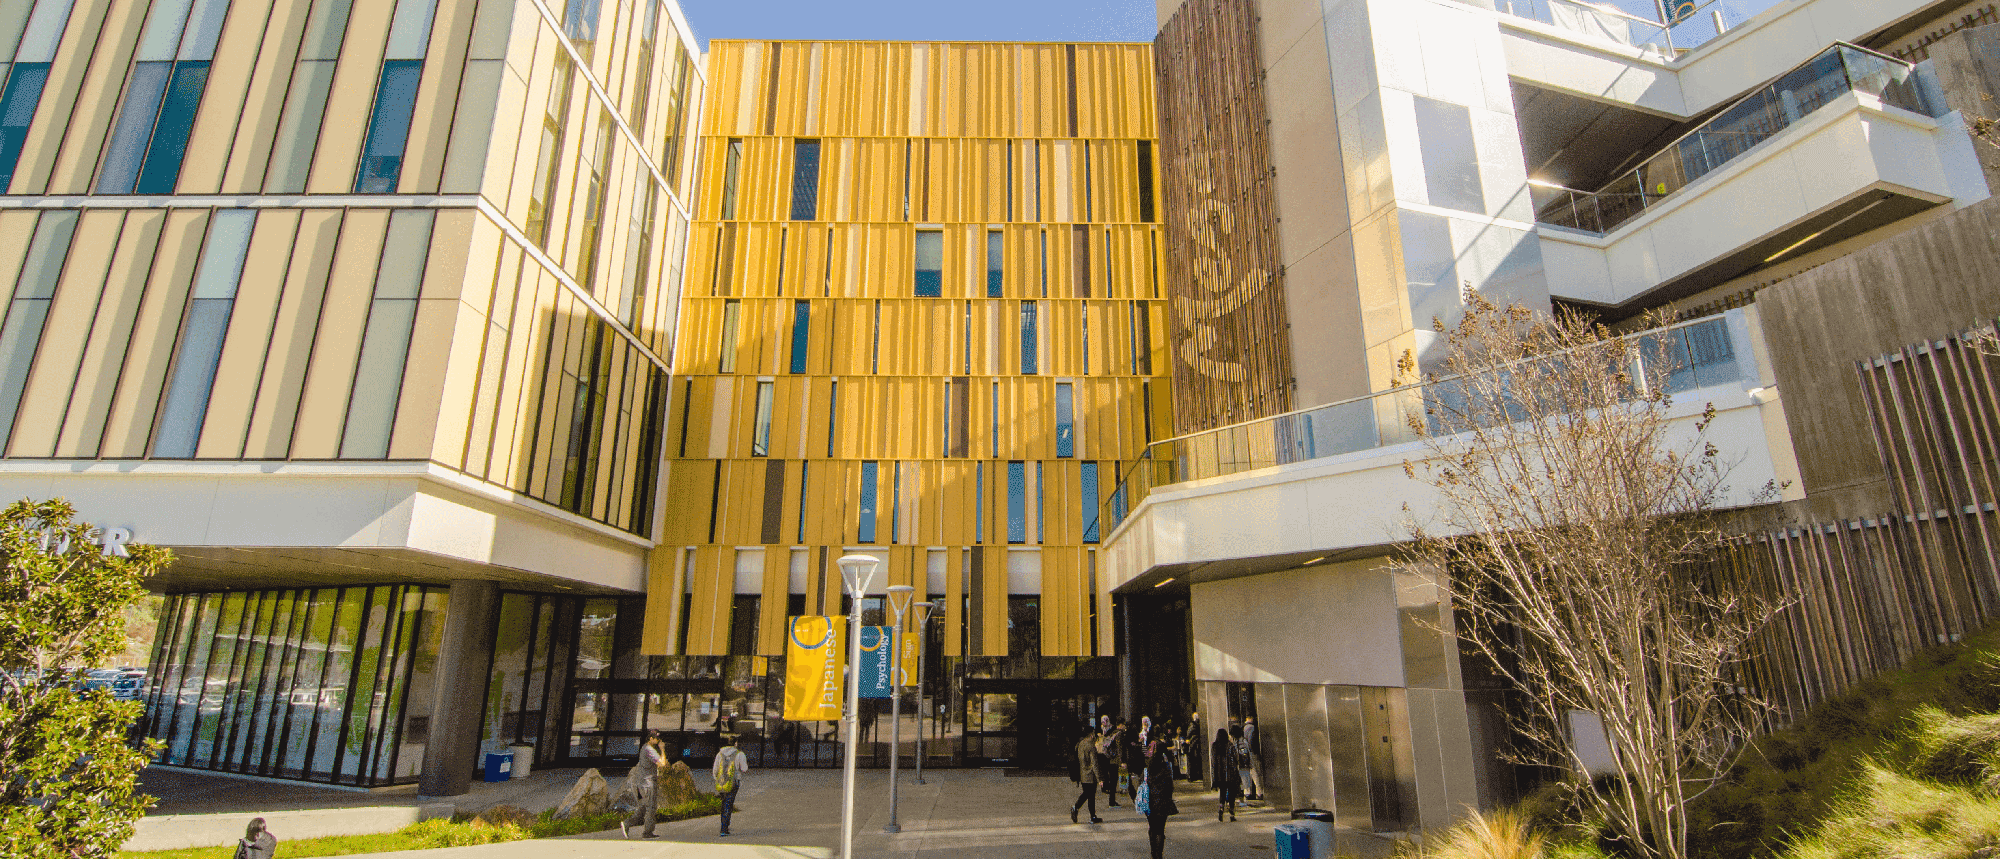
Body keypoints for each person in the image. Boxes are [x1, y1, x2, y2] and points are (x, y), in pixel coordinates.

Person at [621, 731, 667, 838]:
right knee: (651, 807)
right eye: (656, 738)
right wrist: (662, 749)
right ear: (650, 739)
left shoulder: (645, 748)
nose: (658, 741)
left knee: (643, 807)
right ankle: (647, 832)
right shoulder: (649, 750)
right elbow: (662, 763)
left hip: (642, 783)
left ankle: (627, 823)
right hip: (648, 783)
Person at [1141, 741, 1179, 859]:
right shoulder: (1166, 765)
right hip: (1163, 801)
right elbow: (1170, 785)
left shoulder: (1148, 765)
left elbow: (1142, 782)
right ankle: (1159, 855)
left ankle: (1153, 853)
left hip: (1150, 801)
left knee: (1152, 827)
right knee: (1160, 830)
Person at [713, 732, 750, 836]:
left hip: (721, 783)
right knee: (729, 804)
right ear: (735, 743)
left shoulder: (719, 754)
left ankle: (724, 825)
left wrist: (718, 780)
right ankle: (724, 829)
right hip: (734, 782)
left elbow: (715, 770)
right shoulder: (739, 754)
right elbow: (744, 769)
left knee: (724, 803)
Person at [1071, 724, 1103, 823]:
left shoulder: (1080, 744)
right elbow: (1094, 764)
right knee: (1089, 795)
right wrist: (1099, 778)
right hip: (1090, 775)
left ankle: (1092, 816)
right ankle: (1076, 807)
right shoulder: (1091, 746)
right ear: (1091, 734)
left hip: (1082, 773)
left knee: (1088, 794)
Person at [1210, 728, 1241, 822]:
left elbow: (1213, 761)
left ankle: (1221, 808)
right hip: (1230, 774)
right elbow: (1236, 758)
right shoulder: (1230, 745)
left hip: (1219, 775)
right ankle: (1232, 814)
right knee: (1231, 795)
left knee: (1222, 793)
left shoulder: (1214, 746)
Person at [1101, 720, 1125, 807]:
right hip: (1115, 760)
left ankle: (1112, 801)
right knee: (1114, 781)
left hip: (1109, 759)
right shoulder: (1119, 734)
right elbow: (1119, 748)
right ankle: (1112, 801)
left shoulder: (1112, 732)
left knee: (1112, 780)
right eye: (1124, 725)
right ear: (1121, 724)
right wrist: (1121, 761)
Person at [1239, 718, 1262, 801]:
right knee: (1255, 773)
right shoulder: (1252, 728)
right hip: (1251, 754)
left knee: (1245, 774)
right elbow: (1253, 742)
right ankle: (1259, 792)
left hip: (1243, 755)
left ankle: (1247, 793)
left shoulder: (1242, 728)